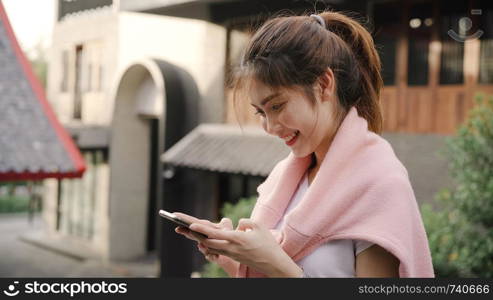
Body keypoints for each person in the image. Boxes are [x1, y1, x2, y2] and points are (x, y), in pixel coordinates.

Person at [174, 10, 434, 278]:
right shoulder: (283, 180)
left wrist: (276, 265)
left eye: (277, 105)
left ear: (324, 84)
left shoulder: (379, 185)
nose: (271, 127)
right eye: (261, 113)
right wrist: (234, 255)